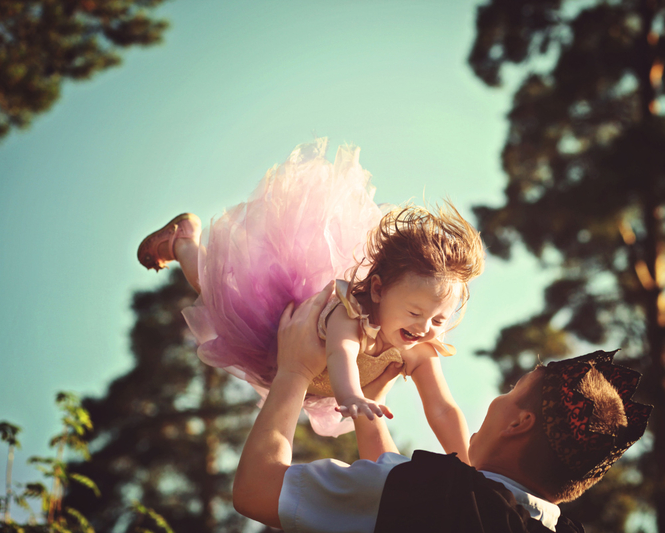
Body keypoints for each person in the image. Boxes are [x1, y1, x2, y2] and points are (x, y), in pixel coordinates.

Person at [136, 139, 485, 462]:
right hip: (278, 328)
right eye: (415, 312)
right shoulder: (351, 315)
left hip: (307, 378)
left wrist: (469, 464)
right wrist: (351, 396)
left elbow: (442, 407)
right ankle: (184, 242)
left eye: (438, 320)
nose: (424, 327)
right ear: (378, 291)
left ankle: (183, 244)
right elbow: (341, 353)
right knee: (215, 289)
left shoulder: (419, 347)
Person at [232, 282, 653, 533]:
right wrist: (371, 406)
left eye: (512, 391)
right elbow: (397, 497)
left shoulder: (440, 493)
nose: (497, 399)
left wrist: (294, 371)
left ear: (519, 423)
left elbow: (257, 491)